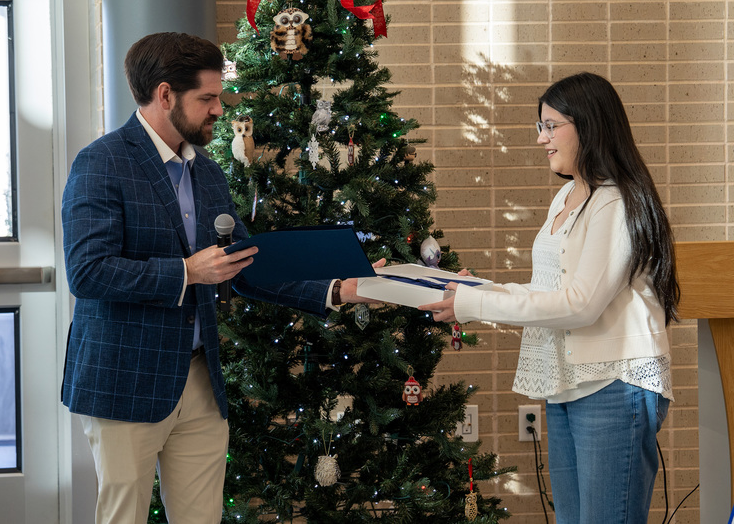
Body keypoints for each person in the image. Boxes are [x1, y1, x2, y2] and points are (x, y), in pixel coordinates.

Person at [61, 32, 380, 524]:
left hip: (200, 381)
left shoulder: (207, 173)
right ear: (165, 95)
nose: (218, 110)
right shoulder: (101, 162)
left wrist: (339, 289)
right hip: (126, 379)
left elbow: (246, 264)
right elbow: (88, 272)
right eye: (207, 98)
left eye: (219, 97)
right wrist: (188, 272)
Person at [420, 72, 680, 523]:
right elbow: (548, 293)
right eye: (540, 126)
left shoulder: (615, 202)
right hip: (566, 383)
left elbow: (579, 304)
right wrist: (476, 291)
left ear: (589, 125)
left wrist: (474, 304)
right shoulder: (566, 195)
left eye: (551, 125)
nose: (541, 138)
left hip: (613, 385)